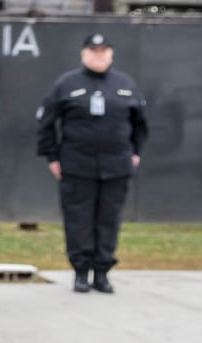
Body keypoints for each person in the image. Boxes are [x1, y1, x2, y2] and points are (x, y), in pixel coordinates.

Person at [36, 33, 148, 294]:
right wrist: (52, 157)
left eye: (103, 50)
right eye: (93, 50)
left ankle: (102, 272)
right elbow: (46, 122)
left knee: (109, 219)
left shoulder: (125, 84)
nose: (99, 55)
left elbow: (140, 123)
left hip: (116, 166)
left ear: (111, 54)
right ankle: (80, 272)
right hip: (77, 165)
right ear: (83, 54)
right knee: (79, 220)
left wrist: (135, 152)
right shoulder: (67, 84)